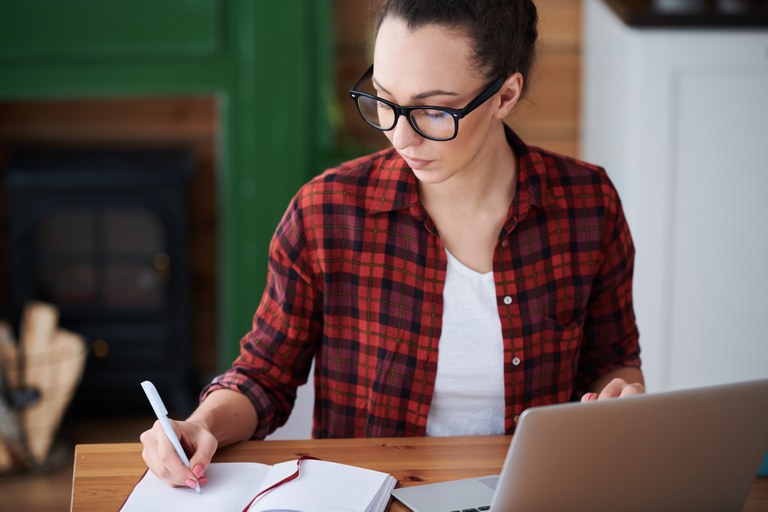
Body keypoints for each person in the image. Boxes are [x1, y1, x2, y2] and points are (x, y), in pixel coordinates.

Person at [141, 0, 644, 490]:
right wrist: (203, 424)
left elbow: (613, 362)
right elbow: (264, 376)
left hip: (533, 491)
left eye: (431, 111)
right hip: (371, 495)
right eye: (383, 99)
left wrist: (619, 397)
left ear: (505, 96)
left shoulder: (587, 205)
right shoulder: (326, 212)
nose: (400, 137)